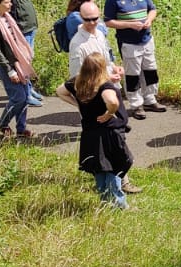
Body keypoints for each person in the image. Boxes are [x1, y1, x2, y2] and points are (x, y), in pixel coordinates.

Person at [56, 51, 132, 209]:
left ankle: (105, 201)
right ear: (102, 68)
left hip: (90, 133)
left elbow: (60, 91)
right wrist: (110, 112)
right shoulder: (105, 87)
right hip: (110, 133)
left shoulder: (78, 83)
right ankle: (119, 204)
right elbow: (111, 100)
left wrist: (77, 103)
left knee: (99, 168)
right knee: (115, 166)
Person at [103, 0, 167, 116]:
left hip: (146, 39)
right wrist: (129, 25)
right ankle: (136, 104)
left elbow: (153, 9)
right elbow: (108, 21)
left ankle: (150, 100)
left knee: (150, 70)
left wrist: (149, 20)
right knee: (133, 74)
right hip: (129, 42)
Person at [0, 0, 35, 139]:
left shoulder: (7, 17)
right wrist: (10, 70)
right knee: (18, 97)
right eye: (7, 2)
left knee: (25, 96)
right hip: (6, 66)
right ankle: (2, 123)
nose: (10, 5)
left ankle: (21, 128)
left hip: (18, 63)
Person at [67, 1, 114, 80]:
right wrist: (106, 78)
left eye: (95, 19)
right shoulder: (77, 44)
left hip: (109, 84)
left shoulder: (100, 34)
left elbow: (107, 61)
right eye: (87, 19)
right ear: (81, 17)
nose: (92, 23)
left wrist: (114, 68)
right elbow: (76, 77)